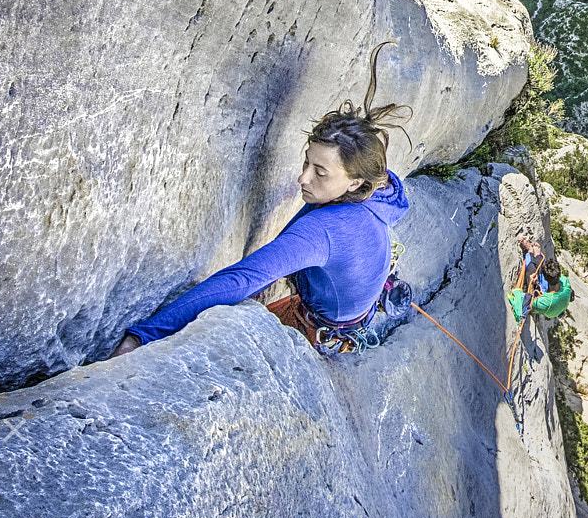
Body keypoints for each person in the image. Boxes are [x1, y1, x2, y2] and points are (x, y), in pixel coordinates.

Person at [110, 45, 411, 358]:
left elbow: (243, 278)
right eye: (306, 163)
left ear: (354, 182)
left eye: (319, 172)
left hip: (316, 329)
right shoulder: (379, 187)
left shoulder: (325, 231)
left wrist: (143, 336)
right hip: (354, 314)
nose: (303, 179)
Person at [507, 234, 572, 321]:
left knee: (531, 269)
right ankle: (537, 257)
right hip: (556, 303)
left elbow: (529, 305)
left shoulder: (544, 301)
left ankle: (529, 252)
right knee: (542, 264)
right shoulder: (565, 282)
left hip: (547, 306)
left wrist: (532, 283)